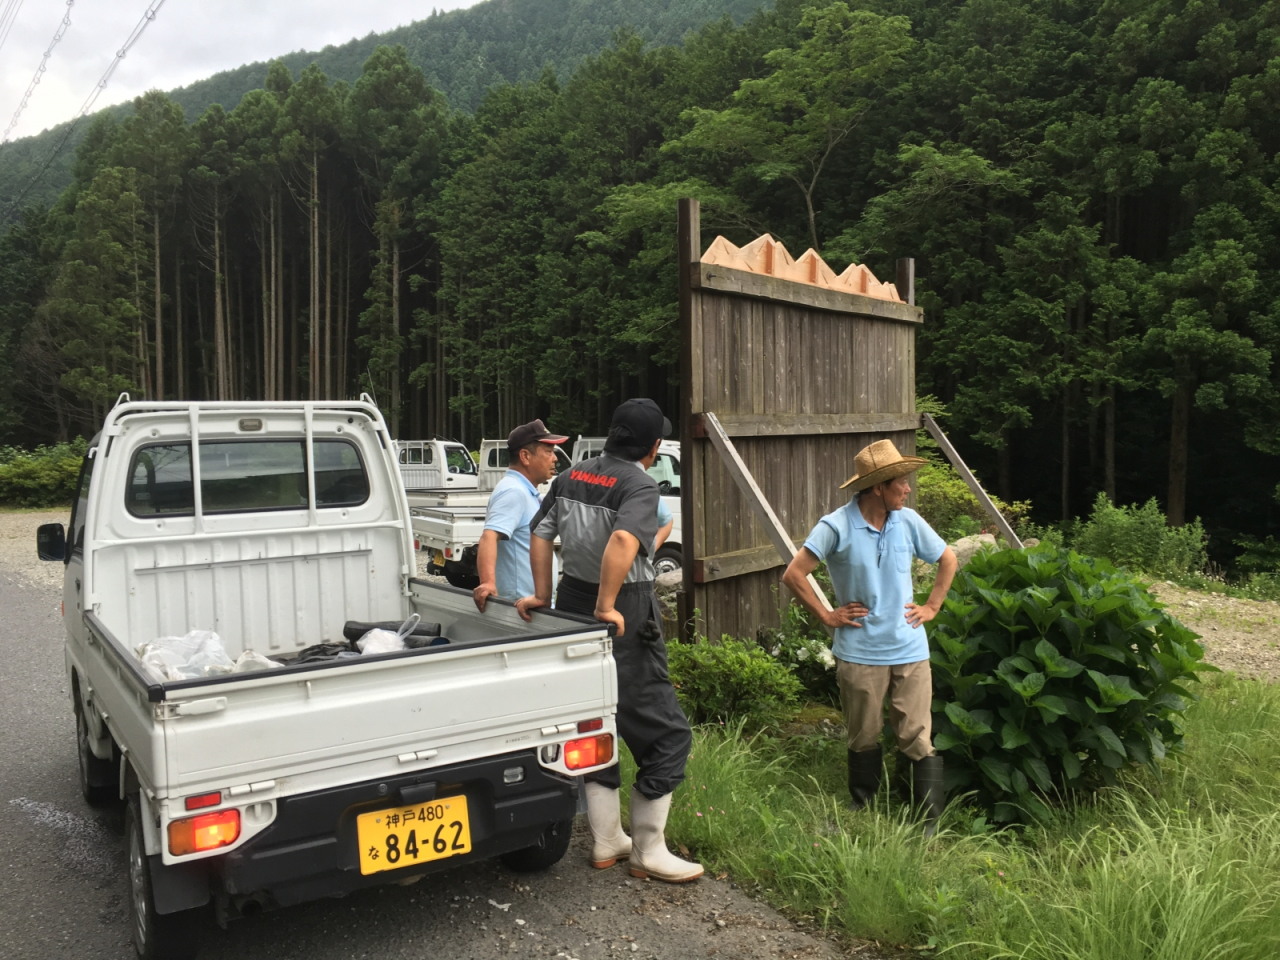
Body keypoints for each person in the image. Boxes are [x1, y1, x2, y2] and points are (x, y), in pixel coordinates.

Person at [516, 399, 701, 883]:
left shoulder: (573, 475)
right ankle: (649, 850)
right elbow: (624, 543)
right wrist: (607, 603)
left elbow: (540, 532)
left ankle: (605, 839)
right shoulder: (638, 484)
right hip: (624, 608)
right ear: (654, 446)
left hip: (569, 601)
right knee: (667, 734)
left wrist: (540, 594)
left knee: (596, 716)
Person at [782, 439, 958, 834]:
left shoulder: (908, 521)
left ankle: (927, 823)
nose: (907, 489)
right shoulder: (836, 526)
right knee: (863, 736)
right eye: (901, 483)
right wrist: (828, 614)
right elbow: (794, 574)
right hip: (860, 651)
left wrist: (931, 607)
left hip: (910, 647)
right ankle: (863, 809)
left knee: (916, 734)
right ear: (878, 487)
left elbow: (948, 558)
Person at [472, 419, 567, 612]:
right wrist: (488, 583)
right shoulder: (514, 492)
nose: (555, 458)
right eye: (548, 452)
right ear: (525, 456)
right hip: (520, 609)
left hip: (528, 606)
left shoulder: (523, 490)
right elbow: (490, 536)